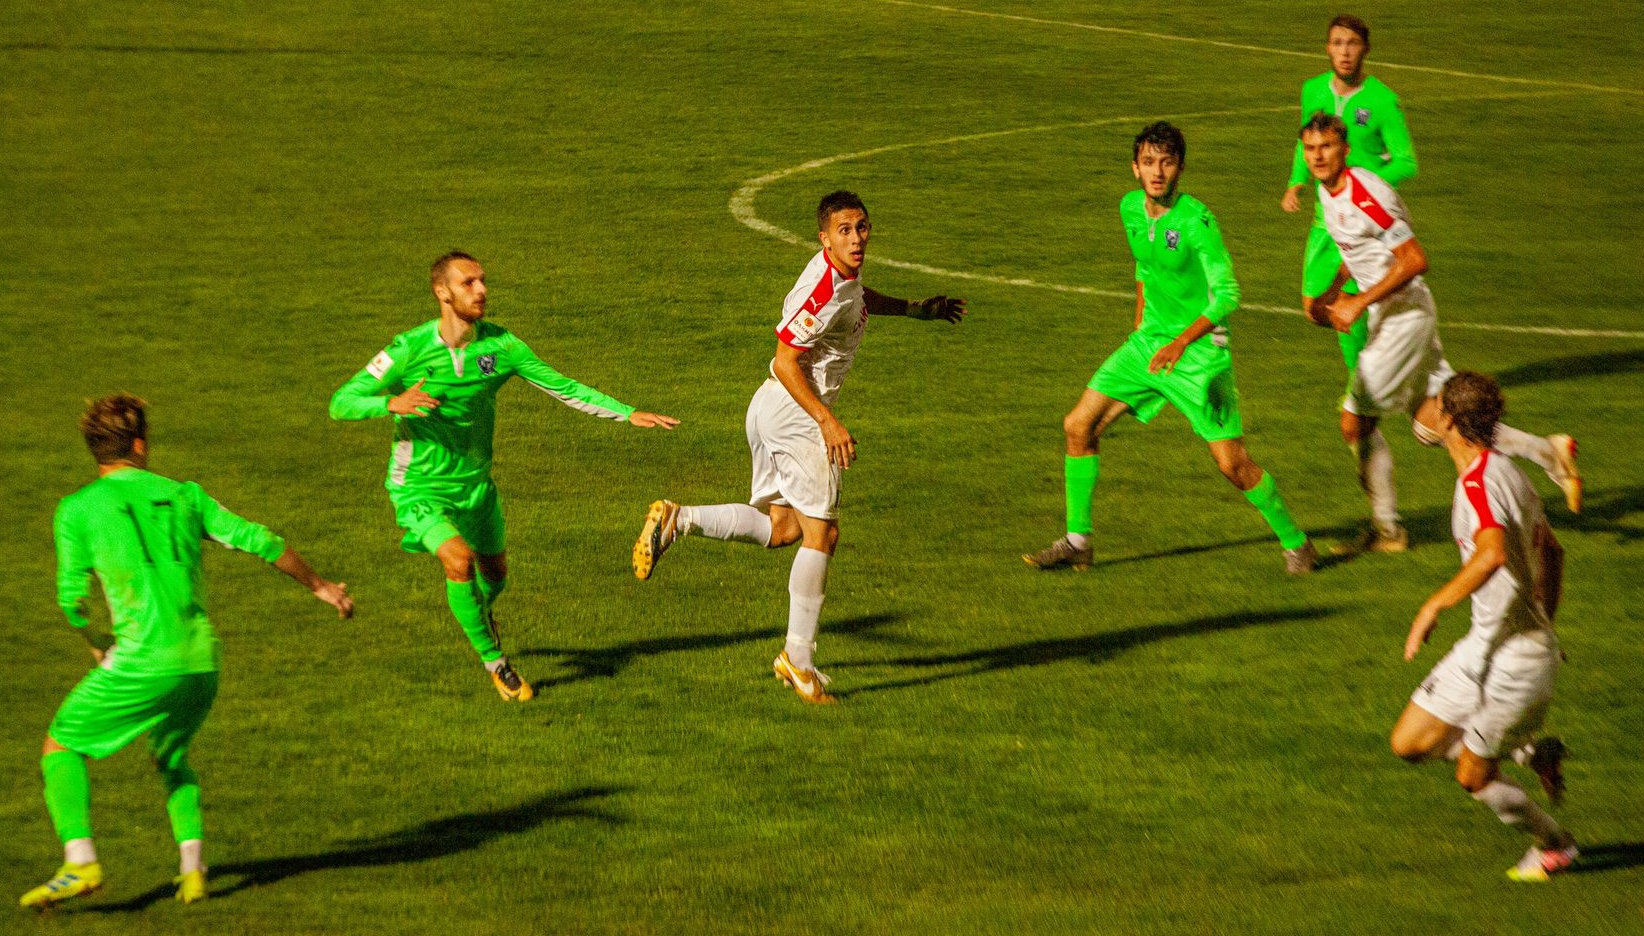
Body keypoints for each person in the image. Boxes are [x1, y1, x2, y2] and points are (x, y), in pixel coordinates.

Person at [21, 395, 353, 911]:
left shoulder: (77, 509)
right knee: (171, 755)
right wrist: (322, 587)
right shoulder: (185, 495)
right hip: (202, 661)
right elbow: (257, 539)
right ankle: (193, 871)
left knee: (60, 747)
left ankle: (81, 861)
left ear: (95, 452)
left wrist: (98, 645)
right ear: (139, 445)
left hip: (143, 661)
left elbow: (71, 602)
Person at [631, 192, 964, 704]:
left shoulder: (839, 277)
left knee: (784, 529)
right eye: (845, 230)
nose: (856, 238)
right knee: (823, 535)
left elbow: (858, 299)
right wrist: (827, 422)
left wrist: (916, 310)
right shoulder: (825, 290)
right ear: (824, 237)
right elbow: (787, 360)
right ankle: (799, 661)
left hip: (769, 407)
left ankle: (680, 519)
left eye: (862, 227)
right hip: (796, 411)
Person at [331, 250, 677, 702]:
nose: (481, 290)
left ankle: (479, 614)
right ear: (442, 292)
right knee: (459, 561)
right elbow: (340, 401)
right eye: (469, 283)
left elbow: (562, 386)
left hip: (476, 485)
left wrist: (627, 413)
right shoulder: (407, 349)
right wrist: (387, 404)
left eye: (482, 281)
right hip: (418, 485)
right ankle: (497, 663)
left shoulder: (501, 346)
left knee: (496, 577)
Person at [1022, 121, 1319, 575]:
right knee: (1078, 426)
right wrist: (1141, 323)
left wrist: (1182, 342)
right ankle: (1078, 541)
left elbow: (1228, 295)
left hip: (1200, 356)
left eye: (1166, 162)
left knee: (1231, 464)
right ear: (1134, 169)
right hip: (1148, 345)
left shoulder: (1198, 222)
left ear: (1180, 167)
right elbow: (1144, 266)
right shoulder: (1129, 210)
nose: (1157, 171)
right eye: (1148, 162)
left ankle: (1297, 544)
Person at [1299, 112, 1579, 551]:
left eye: (1327, 147)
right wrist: (1333, 291)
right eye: (1311, 149)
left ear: (1345, 149)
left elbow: (1414, 259)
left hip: (1404, 315)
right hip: (1393, 316)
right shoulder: (1327, 192)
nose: (1318, 156)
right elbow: (1351, 247)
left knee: (1355, 422)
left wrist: (1358, 301)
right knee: (1440, 422)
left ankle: (1388, 530)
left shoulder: (1366, 194)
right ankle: (1549, 452)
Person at [1390, 371, 1578, 883]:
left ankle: (1554, 844)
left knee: (1473, 777)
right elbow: (1555, 552)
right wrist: (1547, 621)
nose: (1425, 409)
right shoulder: (1506, 471)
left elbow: (1492, 554)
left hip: (1516, 660)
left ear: (1448, 420)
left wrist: (1433, 605)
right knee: (1408, 743)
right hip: (1485, 644)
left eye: (1434, 403)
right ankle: (1531, 750)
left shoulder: (1479, 484)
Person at [1282, 17, 1418, 549]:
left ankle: (1363, 397)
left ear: (1365, 50)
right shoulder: (1312, 90)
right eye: (1336, 42)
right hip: (1326, 224)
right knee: (1316, 307)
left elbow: (1405, 159)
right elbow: (1304, 142)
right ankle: (1363, 388)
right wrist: (1299, 180)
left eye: (1353, 43)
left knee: (1347, 321)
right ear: (1326, 48)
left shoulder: (1381, 101)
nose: (1343, 51)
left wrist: (1359, 181)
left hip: (1359, 221)